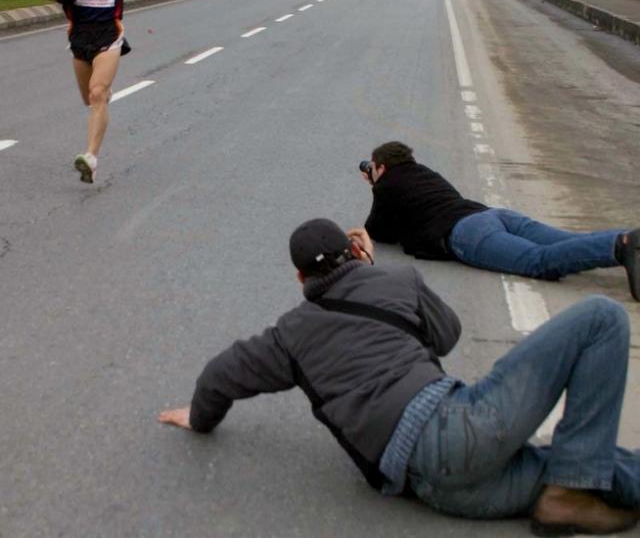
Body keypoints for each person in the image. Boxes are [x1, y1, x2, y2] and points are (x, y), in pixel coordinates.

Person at [159, 218, 640, 535]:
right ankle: (572, 487)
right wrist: (375, 273)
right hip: (456, 431)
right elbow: (446, 335)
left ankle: (568, 491)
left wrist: (199, 419)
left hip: (433, 488)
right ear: (354, 251)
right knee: (602, 318)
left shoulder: (287, 336)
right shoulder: (395, 280)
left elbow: (220, 374)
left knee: (600, 467)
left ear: (301, 279)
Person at [361, 141, 640, 300]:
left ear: (382, 167)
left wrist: (375, 185)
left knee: (538, 261)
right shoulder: (425, 173)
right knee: (569, 240)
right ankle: (631, 239)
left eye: (372, 168)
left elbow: (377, 231)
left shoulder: (387, 184)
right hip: (492, 214)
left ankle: (621, 246)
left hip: (466, 233)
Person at [37, 0, 143, 184]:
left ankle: (91, 157)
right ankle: (102, 99)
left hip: (109, 32)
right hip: (79, 34)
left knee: (97, 93)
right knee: (90, 98)